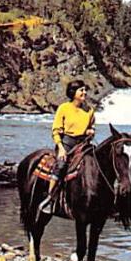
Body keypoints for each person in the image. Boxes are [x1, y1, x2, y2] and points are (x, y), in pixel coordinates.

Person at [39, 80, 96, 213]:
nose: (84, 93)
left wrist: (91, 132)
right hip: (67, 142)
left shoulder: (89, 110)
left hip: (83, 143)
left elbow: (91, 127)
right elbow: (56, 130)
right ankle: (50, 199)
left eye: (85, 90)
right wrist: (61, 148)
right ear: (73, 93)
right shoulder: (64, 108)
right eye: (81, 90)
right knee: (61, 166)